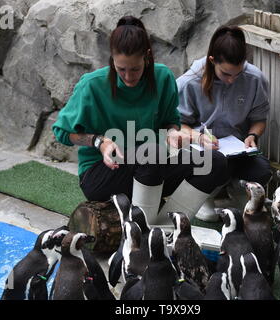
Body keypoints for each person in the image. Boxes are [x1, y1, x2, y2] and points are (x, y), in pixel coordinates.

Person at [52, 16, 228, 225]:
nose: (128, 76)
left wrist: (173, 134)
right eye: (121, 69)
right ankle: (142, 233)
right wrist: (100, 142)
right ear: (112, 60)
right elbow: (61, 132)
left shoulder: (163, 77)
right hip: (103, 173)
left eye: (134, 69)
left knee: (214, 162)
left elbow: (170, 122)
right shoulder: (92, 85)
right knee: (151, 153)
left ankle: (169, 227)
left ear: (147, 57)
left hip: (152, 165)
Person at [177, 25, 272, 222]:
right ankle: (204, 196)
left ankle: (237, 191)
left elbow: (259, 120)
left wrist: (253, 135)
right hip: (201, 153)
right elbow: (177, 125)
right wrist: (198, 137)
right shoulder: (190, 82)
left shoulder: (254, 78)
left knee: (262, 169)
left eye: (237, 74)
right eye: (226, 74)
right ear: (212, 61)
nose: (231, 80)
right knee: (214, 164)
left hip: (236, 151)